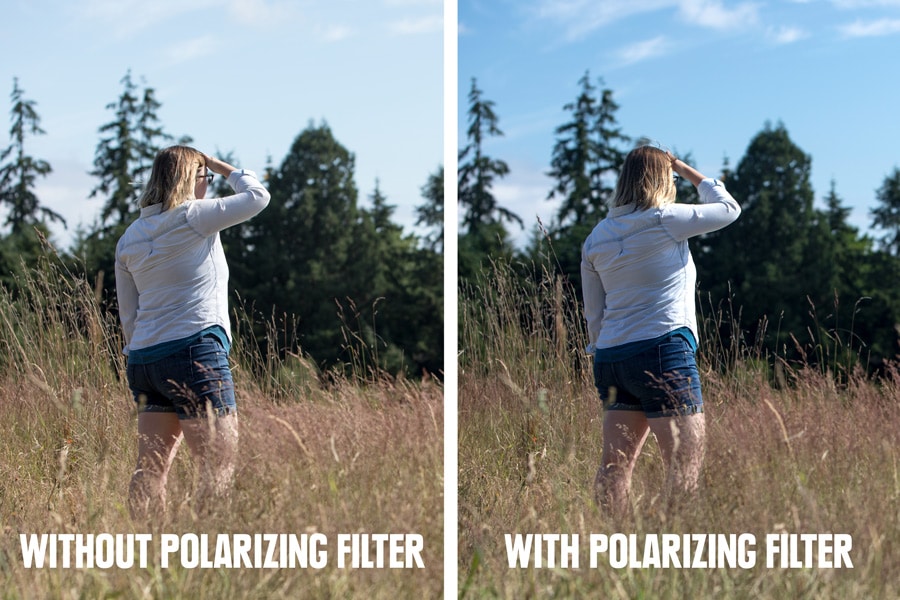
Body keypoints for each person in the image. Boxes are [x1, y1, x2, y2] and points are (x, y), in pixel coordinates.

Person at [580, 145, 740, 516]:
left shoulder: (597, 237)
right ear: (662, 179)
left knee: (614, 467)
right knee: (685, 465)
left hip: (612, 360)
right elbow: (729, 208)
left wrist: (605, 350)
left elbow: (594, 315)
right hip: (663, 351)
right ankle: (677, 554)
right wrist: (685, 168)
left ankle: (612, 549)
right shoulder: (665, 218)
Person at [115, 145, 270, 521]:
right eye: (206, 176)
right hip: (195, 352)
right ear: (193, 177)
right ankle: (208, 557)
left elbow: (129, 317)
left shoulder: (129, 239)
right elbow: (258, 197)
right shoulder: (194, 216)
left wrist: (142, 354)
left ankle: (147, 553)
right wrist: (220, 165)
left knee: (149, 470)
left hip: (144, 362)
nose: (209, 182)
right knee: (217, 465)